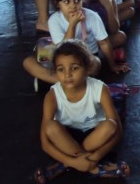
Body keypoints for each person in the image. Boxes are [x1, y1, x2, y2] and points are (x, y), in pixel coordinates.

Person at [36, 40, 129, 182]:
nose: (67, 74)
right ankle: (96, 169)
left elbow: (118, 131)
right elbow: (45, 143)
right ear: (56, 71)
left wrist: (95, 156)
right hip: (66, 138)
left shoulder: (99, 88)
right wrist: (78, 162)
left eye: (74, 68)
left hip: (94, 137)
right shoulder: (52, 95)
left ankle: (63, 165)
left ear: (86, 69)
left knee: (110, 125)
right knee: (51, 127)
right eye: (61, 69)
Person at [23, 0, 130, 85]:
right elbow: (63, 49)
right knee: (28, 62)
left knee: (96, 63)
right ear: (57, 3)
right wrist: (72, 25)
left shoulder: (92, 16)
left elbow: (104, 43)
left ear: (82, 0)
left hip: (86, 57)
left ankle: (56, 81)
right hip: (63, 58)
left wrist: (112, 65)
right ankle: (67, 80)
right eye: (67, 2)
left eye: (77, 0)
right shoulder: (54, 20)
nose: (73, 5)